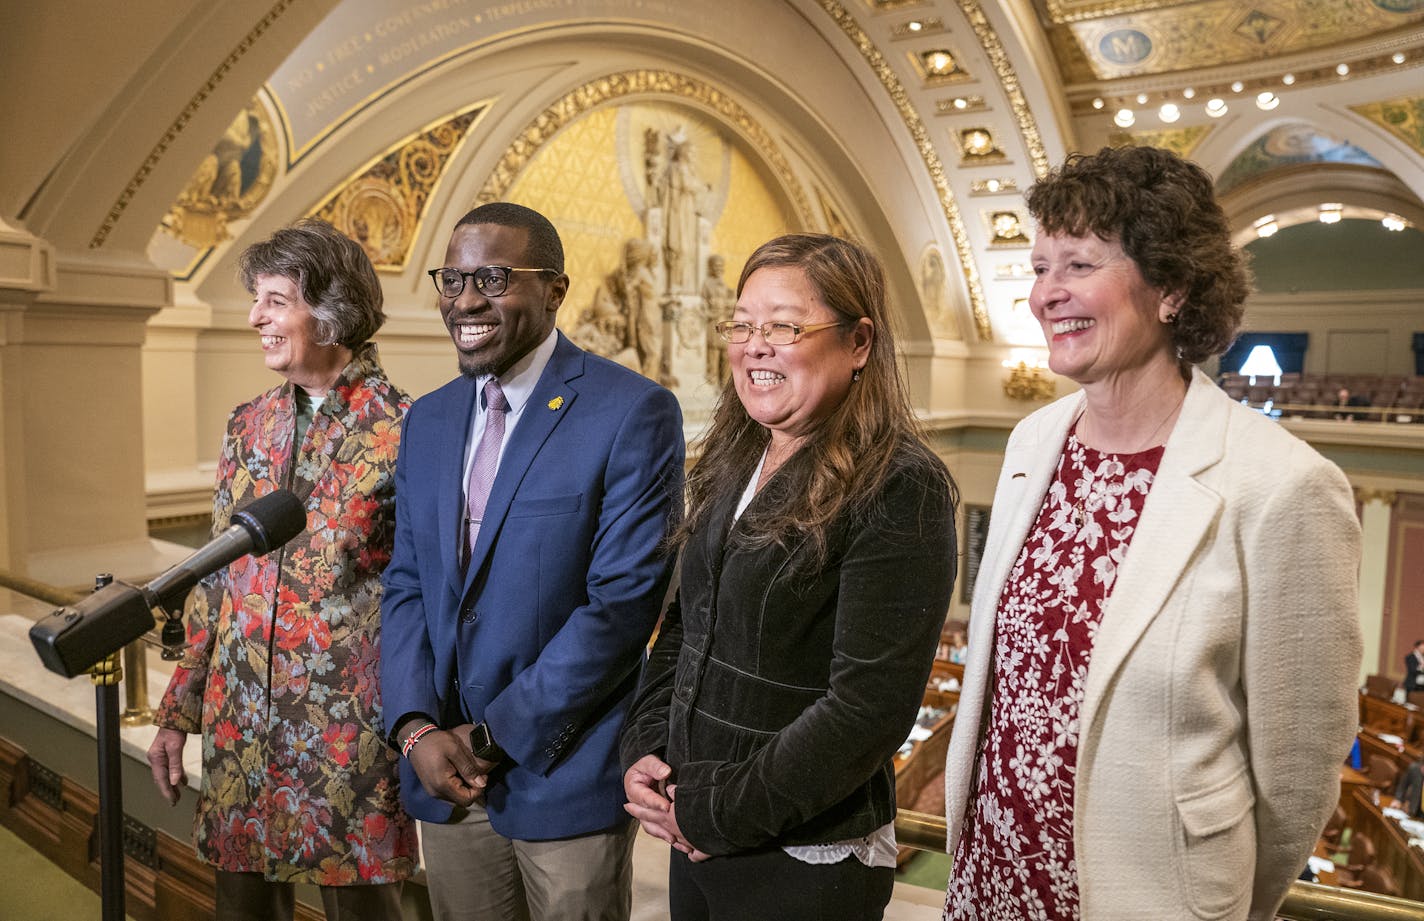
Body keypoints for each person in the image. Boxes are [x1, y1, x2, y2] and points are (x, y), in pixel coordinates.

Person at [941, 145, 1362, 921]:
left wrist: (1212, 901)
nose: (1046, 294)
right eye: (1040, 267)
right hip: (989, 880)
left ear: (1170, 286)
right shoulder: (1033, 442)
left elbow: (1297, 779)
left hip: (1144, 897)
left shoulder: (1281, 485)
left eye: (1079, 264)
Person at [621, 233, 959, 921]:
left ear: (859, 341)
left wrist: (715, 816)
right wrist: (646, 747)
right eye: (742, 324)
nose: (754, 344)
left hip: (797, 858)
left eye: (783, 326)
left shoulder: (900, 485)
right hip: (695, 828)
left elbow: (865, 710)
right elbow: (685, 624)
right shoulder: (733, 454)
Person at [379, 202, 685, 921]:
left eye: (492, 276)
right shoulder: (426, 419)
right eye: (452, 279)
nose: (466, 300)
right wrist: (416, 728)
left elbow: (621, 605)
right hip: (444, 779)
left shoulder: (631, 411)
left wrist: (490, 738)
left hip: (560, 771)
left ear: (555, 289)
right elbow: (406, 585)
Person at [147, 218, 416, 920]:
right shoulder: (249, 423)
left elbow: (429, 594)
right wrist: (178, 709)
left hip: (346, 728)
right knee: (241, 909)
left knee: (364, 911)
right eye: (256, 298)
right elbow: (215, 578)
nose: (254, 317)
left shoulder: (407, 429)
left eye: (274, 300)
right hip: (239, 722)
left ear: (331, 315)